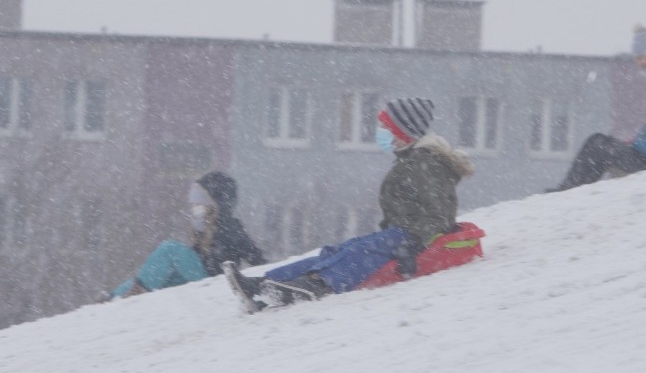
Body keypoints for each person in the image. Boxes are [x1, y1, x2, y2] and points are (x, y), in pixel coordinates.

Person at [223, 97, 475, 312]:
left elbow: (440, 212)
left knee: (360, 253)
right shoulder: (411, 160)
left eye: (385, 126)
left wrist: (414, 242)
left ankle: (317, 284)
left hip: (413, 238)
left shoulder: (425, 164)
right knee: (338, 251)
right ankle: (266, 284)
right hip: (399, 234)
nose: (380, 131)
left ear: (402, 132)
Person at [105, 171, 266, 300]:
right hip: (201, 278)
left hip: (214, 283)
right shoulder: (205, 228)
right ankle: (113, 297)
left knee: (171, 249)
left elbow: (257, 259)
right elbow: (198, 257)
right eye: (194, 201)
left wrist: (259, 282)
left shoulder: (231, 228)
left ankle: (136, 294)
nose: (195, 207)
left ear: (218, 203)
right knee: (164, 275)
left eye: (200, 201)